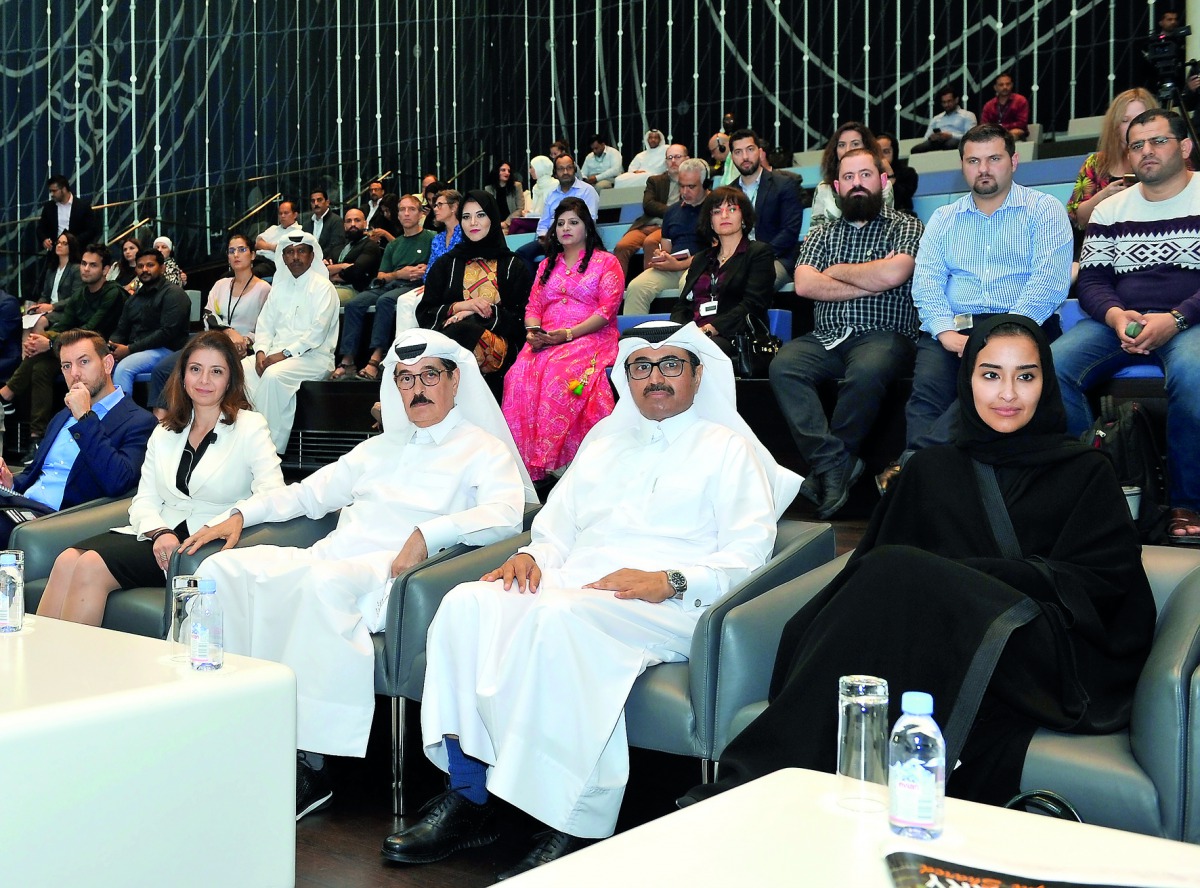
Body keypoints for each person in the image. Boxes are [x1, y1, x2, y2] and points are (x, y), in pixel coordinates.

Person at [680, 315, 1155, 811]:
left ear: (1046, 382)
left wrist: (971, 584)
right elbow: (872, 574)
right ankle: (786, 801)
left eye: (1026, 375)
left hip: (1041, 654)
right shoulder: (932, 470)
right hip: (937, 642)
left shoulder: (1085, 472)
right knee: (893, 582)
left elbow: (1107, 585)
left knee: (902, 572)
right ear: (967, 379)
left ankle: (744, 787)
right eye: (990, 374)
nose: (1008, 393)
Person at [383, 321, 800, 877]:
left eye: (671, 364)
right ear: (626, 376)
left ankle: (573, 820)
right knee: (466, 603)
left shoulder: (728, 449)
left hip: (667, 604)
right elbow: (556, 529)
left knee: (559, 617)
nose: (655, 377)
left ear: (698, 374)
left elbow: (750, 554)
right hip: (579, 586)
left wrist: (672, 579)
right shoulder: (604, 440)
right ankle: (471, 797)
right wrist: (534, 556)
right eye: (641, 366)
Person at [177, 328, 534, 820]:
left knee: (321, 587)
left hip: (394, 574)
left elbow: (506, 516)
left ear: (455, 381)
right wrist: (242, 515)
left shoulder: (482, 449)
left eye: (429, 375)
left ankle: (314, 764)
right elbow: (307, 494)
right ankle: (226, 725)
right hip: (336, 555)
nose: (418, 389)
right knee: (223, 570)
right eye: (405, 379)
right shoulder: (380, 448)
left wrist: (430, 533)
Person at [35, 331, 284, 627]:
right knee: (66, 560)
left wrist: (238, 516)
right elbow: (144, 499)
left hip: (203, 540)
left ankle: (70, 670)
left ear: (230, 379)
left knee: (90, 565)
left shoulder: (250, 427)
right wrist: (158, 531)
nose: (204, 380)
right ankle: (42, 666)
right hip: (159, 534)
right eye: (195, 369)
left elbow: (274, 492)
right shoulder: (165, 430)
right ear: (183, 376)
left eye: (216, 371)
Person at [878, 124, 1072, 493]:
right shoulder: (944, 219)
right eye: (974, 161)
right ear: (963, 166)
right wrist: (945, 332)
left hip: (1024, 325)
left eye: (994, 158)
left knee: (975, 393)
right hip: (953, 329)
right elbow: (928, 282)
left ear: (1013, 161)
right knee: (925, 396)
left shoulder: (1043, 210)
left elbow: (1048, 284)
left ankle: (912, 473)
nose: (984, 169)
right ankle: (930, 490)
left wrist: (997, 337)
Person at [1053, 108, 1200, 543]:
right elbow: (1094, 280)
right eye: (1137, 145)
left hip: (1188, 321)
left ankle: (1187, 501)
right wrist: (1117, 316)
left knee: (1194, 374)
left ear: (1185, 146)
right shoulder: (1110, 209)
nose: (1146, 152)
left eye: (1158, 141)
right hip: (1121, 320)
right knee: (1052, 366)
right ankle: (1096, 490)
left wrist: (1176, 319)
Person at [771, 149, 923, 519]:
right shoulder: (823, 232)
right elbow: (805, 284)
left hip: (885, 333)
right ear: (837, 187)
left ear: (882, 181)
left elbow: (895, 274)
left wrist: (837, 271)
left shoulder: (906, 225)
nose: (858, 184)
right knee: (783, 366)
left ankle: (827, 468)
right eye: (849, 177)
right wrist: (871, 280)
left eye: (866, 175)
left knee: (868, 371)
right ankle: (834, 463)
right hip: (827, 336)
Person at [501, 197, 623, 480]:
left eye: (574, 222)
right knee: (517, 375)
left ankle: (562, 457)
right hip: (547, 338)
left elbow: (607, 311)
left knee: (560, 374)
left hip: (590, 336)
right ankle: (529, 462)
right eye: (561, 223)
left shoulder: (607, 262)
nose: (566, 228)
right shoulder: (546, 266)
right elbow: (533, 307)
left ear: (587, 227)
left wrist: (568, 334)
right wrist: (534, 333)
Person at [0, 329, 155, 546]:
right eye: (66, 366)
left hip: (62, 519)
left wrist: (85, 417)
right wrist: (10, 483)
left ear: (108, 364)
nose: (74, 374)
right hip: (23, 505)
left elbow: (117, 483)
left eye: (84, 362)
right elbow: (35, 473)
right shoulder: (62, 415)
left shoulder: (139, 422)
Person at [0, 245, 125, 445]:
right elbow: (65, 324)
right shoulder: (81, 293)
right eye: (83, 264)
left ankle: (6, 394)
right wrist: (41, 342)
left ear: (105, 270)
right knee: (40, 367)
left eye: (93, 265)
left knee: (45, 346)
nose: (85, 269)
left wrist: (49, 343)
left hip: (99, 351)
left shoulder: (113, 293)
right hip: (74, 351)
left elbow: (90, 332)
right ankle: (36, 438)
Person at [146, 233, 271, 417]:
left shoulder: (264, 289)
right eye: (231, 251)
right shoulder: (221, 284)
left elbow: (265, 326)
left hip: (244, 349)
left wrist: (245, 341)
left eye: (242, 250)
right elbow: (208, 315)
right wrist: (229, 331)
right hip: (212, 341)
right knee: (161, 370)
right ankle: (161, 428)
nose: (236, 254)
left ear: (252, 255)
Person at [242, 231, 339, 454]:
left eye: (301, 251)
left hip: (314, 358)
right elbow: (264, 326)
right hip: (276, 356)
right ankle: (246, 440)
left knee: (274, 376)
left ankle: (267, 450)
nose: (295, 257)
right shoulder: (279, 289)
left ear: (311, 255)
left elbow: (316, 334)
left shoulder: (324, 288)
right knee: (241, 369)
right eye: (289, 252)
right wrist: (260, 353)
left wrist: (283, 355)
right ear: (283, 257)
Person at [416, 191, 531, 378]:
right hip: (449, 345)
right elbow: (425, 313)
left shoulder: (512, 265)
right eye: (466, 217)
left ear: (492, 218)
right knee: (410, 340)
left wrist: (477, 313)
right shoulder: (447, 264)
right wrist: (462, 306)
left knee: (465, 330)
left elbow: (522, 320)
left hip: (498, 349)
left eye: (481, 215)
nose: (473, 223)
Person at [337, 194, 434, 381]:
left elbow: (439, 263)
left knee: (386, 300)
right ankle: (348, 360)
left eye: (411, 209)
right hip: (393, 283)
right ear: (397, 215)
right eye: (402, 210)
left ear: (420, 213)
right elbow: (381, 276)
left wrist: (426, 270)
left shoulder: (431, 237)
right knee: (354, 303)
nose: (406, 214)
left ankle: (376, 357)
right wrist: (399, 273)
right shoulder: (394, 244)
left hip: (415, 285)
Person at [669, 186, 774, 355]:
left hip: (735, 337)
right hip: (694, 336)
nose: (724, 215)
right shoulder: (701, 259)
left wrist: (709, 329)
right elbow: (682, 306)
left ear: (743, 218)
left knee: (697, 352)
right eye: (717, 211)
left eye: (732, 209)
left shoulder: (759, 253)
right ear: (710, 221)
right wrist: (680, 332)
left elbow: (752, 305)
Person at [622, 158, 710, 315]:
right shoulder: (672, 211)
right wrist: (661, 255)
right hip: (674, 266)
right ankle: (636, 337)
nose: (684, 192)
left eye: (691, 187)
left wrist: (679, 265)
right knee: (636, 287)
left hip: (703, 266)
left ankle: (691, 335)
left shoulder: (715, 208)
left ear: (705, 185)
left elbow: (716, 250)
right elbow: (667, 248)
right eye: (682, 186)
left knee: (689, 284)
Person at [1066, 88, 1158, 230]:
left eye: (1140, 119)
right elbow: (1078, 219)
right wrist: (1103, 196)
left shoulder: (1167, 157)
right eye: (1125, 120)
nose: (1133, 126)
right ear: (1115, 126)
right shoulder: (1095, 163)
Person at [727, 128, 805, 288]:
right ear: (732, 157)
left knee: (755, 283)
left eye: (750, 149)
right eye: (738, 152)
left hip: (776, 258)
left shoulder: (784, 184)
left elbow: (790, 231)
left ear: (760, 151)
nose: (745, 157)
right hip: (738, 260)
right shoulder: (729, 193)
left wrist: (758, 256)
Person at [107, 248, 191, 396]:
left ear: (162, 268)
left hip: (168, 350)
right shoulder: (134, 299)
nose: (144, 270)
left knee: (125, 368)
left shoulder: (174, 294)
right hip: (136, 350)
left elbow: (167, 333)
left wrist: (130, 349)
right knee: (101, 365)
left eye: (150, 265)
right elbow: (121, 330)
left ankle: (122, 416)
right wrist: (112, 347)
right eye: (140, 266)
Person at [515, 155, 601, 277]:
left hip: (577, 239)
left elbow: (590, 222)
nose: (565, 172)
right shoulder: (551, 194)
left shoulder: (587, 191)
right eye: (561, 169)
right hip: (551, 238)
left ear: (575, 169)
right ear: (555, 172)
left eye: (569, 168)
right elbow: (543, 222)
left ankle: (551, 287)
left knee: (553, 253)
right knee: (521, 253)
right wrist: (543, 236)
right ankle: (533, 291)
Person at [611, 144, 688, 278]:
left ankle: (648, 285)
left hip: (667, 227)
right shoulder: (655, 181)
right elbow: (649, 205)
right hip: (646, 225)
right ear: (666, 162)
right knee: (621, 246)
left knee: (651, 242)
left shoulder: (690, 182)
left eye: (677, 157)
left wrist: (670, 214)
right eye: (670, 158)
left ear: (686, 159)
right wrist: (673, 211)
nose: (673, 161)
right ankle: (615, 291)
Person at [809, 122, 894, 227]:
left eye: (855, 144)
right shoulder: (823, 188)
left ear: (867, 147)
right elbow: (814, 230)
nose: (847, 149)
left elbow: (887, 224)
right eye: (841, 145)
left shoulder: (883, 185)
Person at [325, 207, 383, 303]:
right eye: (349, 221)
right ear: (344, 225)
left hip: (355, 290)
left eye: (357, 220)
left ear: (365, 223)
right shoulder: (339, 247)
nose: (353, 224)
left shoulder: (370, 246)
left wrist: (332, 272)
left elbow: (356, 272)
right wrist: (343, 266)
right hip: (331, 286)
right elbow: (322, 269)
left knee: (324, 299)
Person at [35, 175, 99, 254]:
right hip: (55, 253)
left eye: (54, 191)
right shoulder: (49, 207)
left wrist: (73, 241)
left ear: (64, 189)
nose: (51, 194)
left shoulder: (83, 206)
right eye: (50, 191)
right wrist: (44, 239)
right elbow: (40, 229)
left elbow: (91, 230)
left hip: (77, 252)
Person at [909, 87, 978, 153]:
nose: (946, 105)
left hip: (957, 141)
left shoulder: (968, 115)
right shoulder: (936, 118)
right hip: (936, 142)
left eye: (949, 101)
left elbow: (971, 137)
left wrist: (950, 135)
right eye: (944, 102)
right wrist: (932, 137)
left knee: (950, 144)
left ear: (956, 100)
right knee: (916, 149)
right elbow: (926, 137)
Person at [252, 199, 303, 278]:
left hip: (273, 264)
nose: (282, 216)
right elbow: (258, 244)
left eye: (286, 213)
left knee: (250, 274)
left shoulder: (298, 231)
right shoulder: (273, 228)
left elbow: (283, 249)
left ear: (295, 215)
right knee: (229, 273)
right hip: (256, 259)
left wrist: (266, 245)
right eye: (280, 213)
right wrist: (272, 247)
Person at [35, 232, 84, 313]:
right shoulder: (51, 269)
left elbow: (74, 297)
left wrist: (52, 306)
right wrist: (38, 306)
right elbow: (45, 295)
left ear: (71, 247)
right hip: (48, 310)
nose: (59, 245)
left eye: (64, 243)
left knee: (39, 322)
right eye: (58, 242)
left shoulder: (76, 269)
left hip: (65, 311)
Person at [875, 132, 919, 216]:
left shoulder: (908, 173)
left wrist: (890, 174)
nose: (881, 157)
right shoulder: (869, 175)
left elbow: (903, 197)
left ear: (894, 152)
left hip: (901, 214)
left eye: (886, 152)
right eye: (877, 152)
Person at [424, 190, 464, 278]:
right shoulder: (437, 238)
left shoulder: (466, 235)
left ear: (454, 207)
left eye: (440, 205)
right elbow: (431, 268)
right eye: (435, 205)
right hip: (436, 286)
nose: (435, 209)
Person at [980, 72, 1031, 141]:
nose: (1005, 87)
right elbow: (984, 125)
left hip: (1015, 132)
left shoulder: (1020, 100)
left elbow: (1022, 123)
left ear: (1012, 85)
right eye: (1001, 85)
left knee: (1015, 132)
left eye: (1008, 84)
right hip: (995, 134)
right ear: (995, 87)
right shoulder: (989, 105)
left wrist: (1002, 127)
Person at [303, 188, 346, 258]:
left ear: (327, 202)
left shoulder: (336, 221)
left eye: (319, 200)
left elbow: (337, 245)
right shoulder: (306, 225)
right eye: (313, 201)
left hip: (328, 261)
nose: (316, 203)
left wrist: (317, 257)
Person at [485, 161, 526, 231]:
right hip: (495, 225)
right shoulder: (488, 188)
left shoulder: (517, 186)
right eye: (503, 170)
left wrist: (506, 223)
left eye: (509, 171)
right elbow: (488, 210)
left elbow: (520, 208)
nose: (507, 173)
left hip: (512, 223)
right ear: (497, 172)